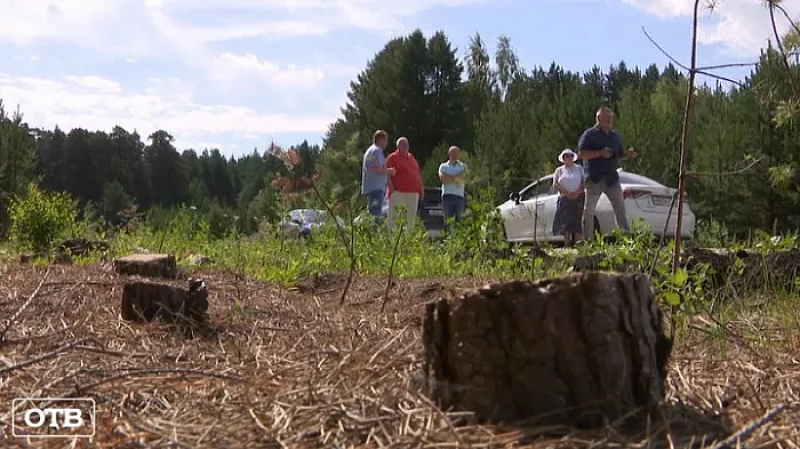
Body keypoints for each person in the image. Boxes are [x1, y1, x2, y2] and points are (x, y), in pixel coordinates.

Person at [577, 107, 637, 240]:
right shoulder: (589, 135)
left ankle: (626, 239)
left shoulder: (614, 136)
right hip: (594, 178)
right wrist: (599, 153)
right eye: (607, 119)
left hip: (611, 178)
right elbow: (581, 154)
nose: (610, 122)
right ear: (599, 119)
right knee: (589, 210)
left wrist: (628, 154)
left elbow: (619, 154)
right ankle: (588, 240)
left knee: (620, 208)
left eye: (611, 119)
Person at [385, 137, 424, 233]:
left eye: (406, 144)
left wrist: (421, 187)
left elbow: (417, 173)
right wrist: (391, 187)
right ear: (398, 146)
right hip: (398, 192)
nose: (405, 146)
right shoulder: (393, 157)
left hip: (413, 193)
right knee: (395, 217)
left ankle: (408, 240)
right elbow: (386, 173)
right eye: (403, 144)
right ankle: (392, 240)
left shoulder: (411, 157)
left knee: (411, 218)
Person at [551, 148, 584, 247]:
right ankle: (567, 245)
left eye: (570, 156)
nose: (569, 158)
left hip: (578, 197)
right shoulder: (559, 170)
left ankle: (579, 245)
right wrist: (567, 193)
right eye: (566, 156)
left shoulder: (579, 168)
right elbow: (555, 184)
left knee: (578, 222)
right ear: (563, 158)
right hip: (564, 198)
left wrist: (577, 192)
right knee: (566, 224)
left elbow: (584, 182)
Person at [361, 130, 395, 221]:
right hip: (376, 187)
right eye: (386, 141)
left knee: (372, 213)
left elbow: (371, 168)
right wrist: (389, 171)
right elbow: (376, 168)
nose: (386, 143)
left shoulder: (370, 151)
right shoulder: (377, 151)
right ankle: (373, 234)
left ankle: (369, 232)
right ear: (381, 140)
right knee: (375, 216)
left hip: (371, 187)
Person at [438, 146, 467, 234]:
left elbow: (464, 179)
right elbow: (443, 179)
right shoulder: (443, 166)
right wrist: (457, 177)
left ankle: (459, 242)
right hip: (447, 196)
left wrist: (449, 176)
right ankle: (447, 241)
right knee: (447, 220)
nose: (455, 155)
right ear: (449, 154)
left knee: (459, 220)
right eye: (453, 153)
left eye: (457, 153)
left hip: (459, 196)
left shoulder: (463, 166)